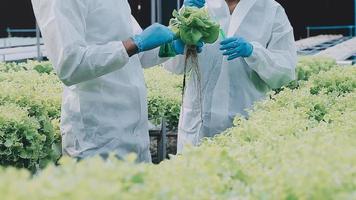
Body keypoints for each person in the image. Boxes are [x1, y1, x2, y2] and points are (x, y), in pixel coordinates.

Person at [31, 0, 177, 162]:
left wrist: (172, 45)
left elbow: (138, 55)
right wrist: (135, 44)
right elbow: (70, 64)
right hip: (97, 139)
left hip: (135, 137)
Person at [165, 0, 297, 153]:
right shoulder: (198, 6)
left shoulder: (271, 9)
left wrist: (254, 52)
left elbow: (286, 71)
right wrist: (182, 32)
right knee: (196, 173)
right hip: (198, 125)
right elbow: (172, 66)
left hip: (246, 123)